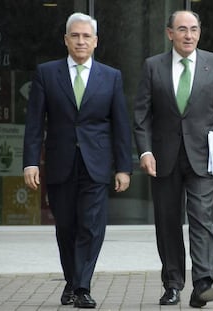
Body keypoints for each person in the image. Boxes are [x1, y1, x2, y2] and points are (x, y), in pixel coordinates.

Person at [23, 12, 132, 309]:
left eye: (87, 36)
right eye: (76, 35)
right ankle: (71, 280)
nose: (81, 41)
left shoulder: (111, 77)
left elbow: (121, 125)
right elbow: (35, 122)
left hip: (96, 164)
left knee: (91, 225)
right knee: (66, 226)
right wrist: (30, 162)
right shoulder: (47, 73)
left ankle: (82, 287)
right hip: (60, 163)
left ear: (96, 42)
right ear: (66, 40)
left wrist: (123, 167)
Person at [134, 10, 213, 308]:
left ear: (199, 32)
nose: (188, 35)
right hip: (163, 158)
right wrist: (145, 151)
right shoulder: (153, 66)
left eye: (193, 29)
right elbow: (141, 115)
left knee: (200, 216)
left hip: (204, 157)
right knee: (167, 222)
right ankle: (172, 284)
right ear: (170, 34)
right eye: (182, 29)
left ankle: (203, 282)